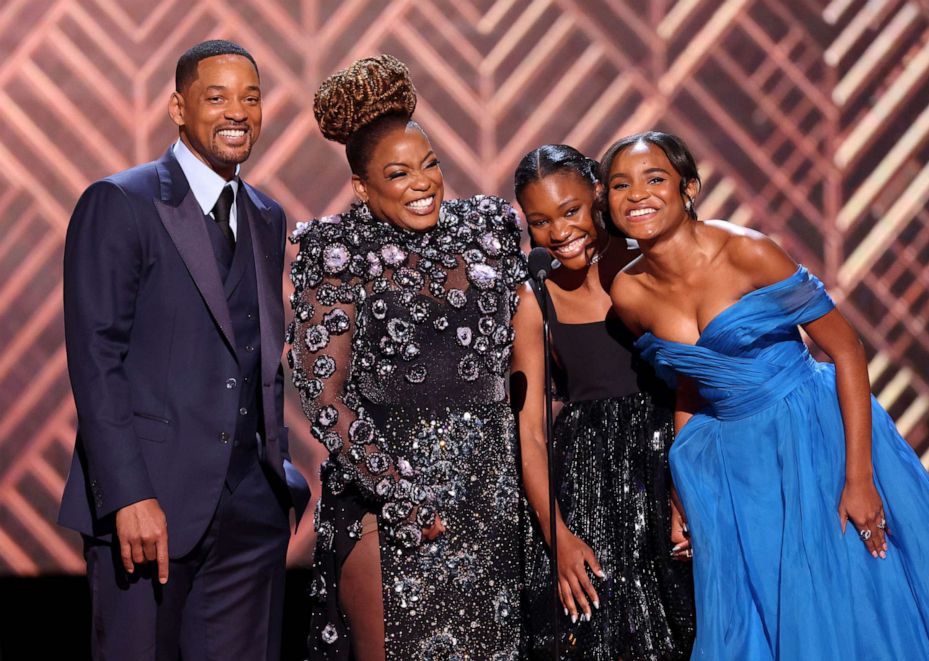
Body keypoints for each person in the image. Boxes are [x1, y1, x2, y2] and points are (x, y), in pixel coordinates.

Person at [605, 131, 929, 660]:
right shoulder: (627, 292)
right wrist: (684, 492)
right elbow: (691, 381)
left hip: (813, 437)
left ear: (687, 186)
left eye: (654, 179)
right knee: (770, 613)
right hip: (735, 468)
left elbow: (848, 350)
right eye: (619, 185)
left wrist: (859, 478)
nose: (636, 195)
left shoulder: (750, 253)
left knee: (850, 603)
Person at [58, 40, 310, 660]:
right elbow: (96, 359)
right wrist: (126, 494)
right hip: (151, 508)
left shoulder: (266, 215)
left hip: (250, 511)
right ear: (177, 107)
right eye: (216, 96)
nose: (238, 112)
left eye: (250, 97)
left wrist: (276, 478)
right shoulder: (121, 202)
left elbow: (252, 353)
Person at [288, 54, 528, 660]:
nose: (422, 182)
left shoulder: (486, 230)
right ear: (362, 187)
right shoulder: (337, 250)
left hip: (490, 492)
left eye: (429, 164)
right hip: (387, 495)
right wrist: (400, 492)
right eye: (398, 174)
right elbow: (323, 392)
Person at [510, 144, 695, 660]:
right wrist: (560, 538)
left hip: (671, 469)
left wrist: (686, 492)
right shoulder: (535, 300)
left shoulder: (648, 263)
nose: (560, 231)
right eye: (541, 221)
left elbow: (694, 384)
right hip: (591, 491)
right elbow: (530, 434)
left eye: (570, 211)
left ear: (597, 194)